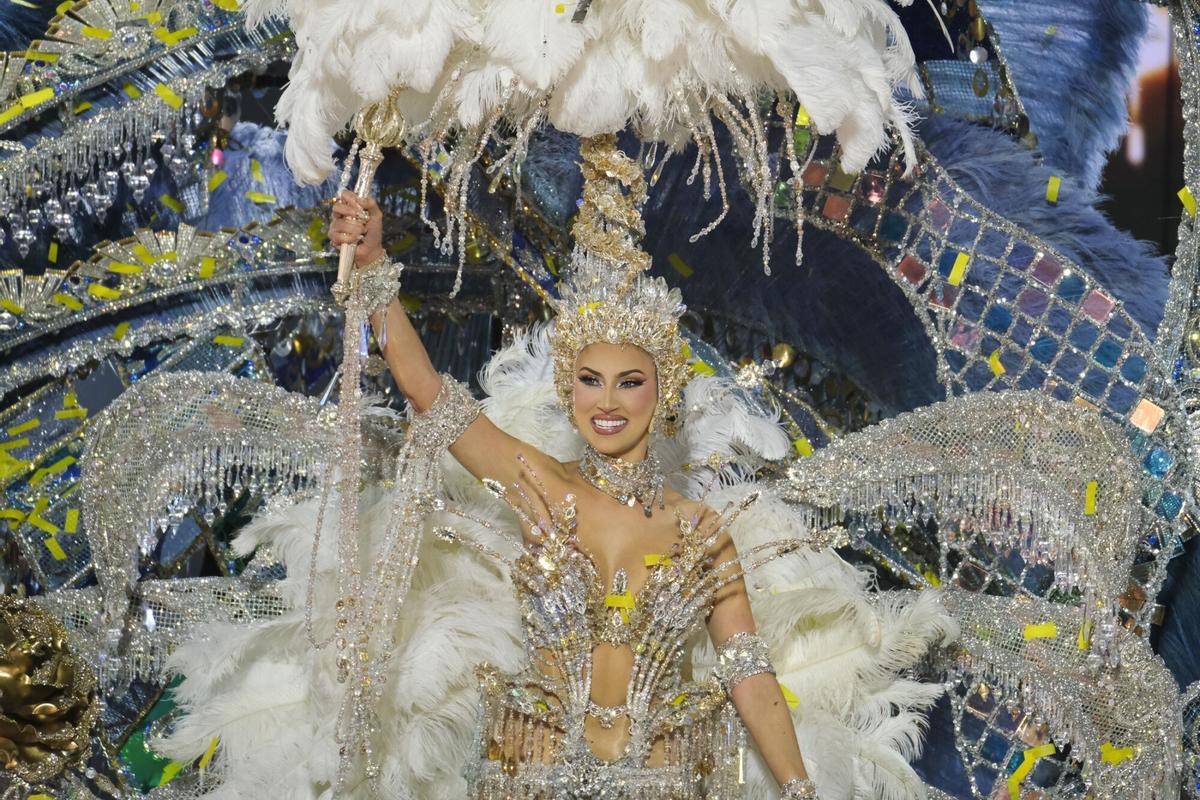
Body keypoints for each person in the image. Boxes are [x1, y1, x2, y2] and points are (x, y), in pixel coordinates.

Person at [158, 139, 953, 800]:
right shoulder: (540, 483)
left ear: (663, 395)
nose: (607, 402)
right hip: (527, 775)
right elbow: (428, 393)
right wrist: (370, 270)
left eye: (630, 382)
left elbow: (749, 676)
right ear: (568, 392)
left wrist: (799, 789)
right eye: (589, 381)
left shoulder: (702, 534)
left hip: (665, 779)